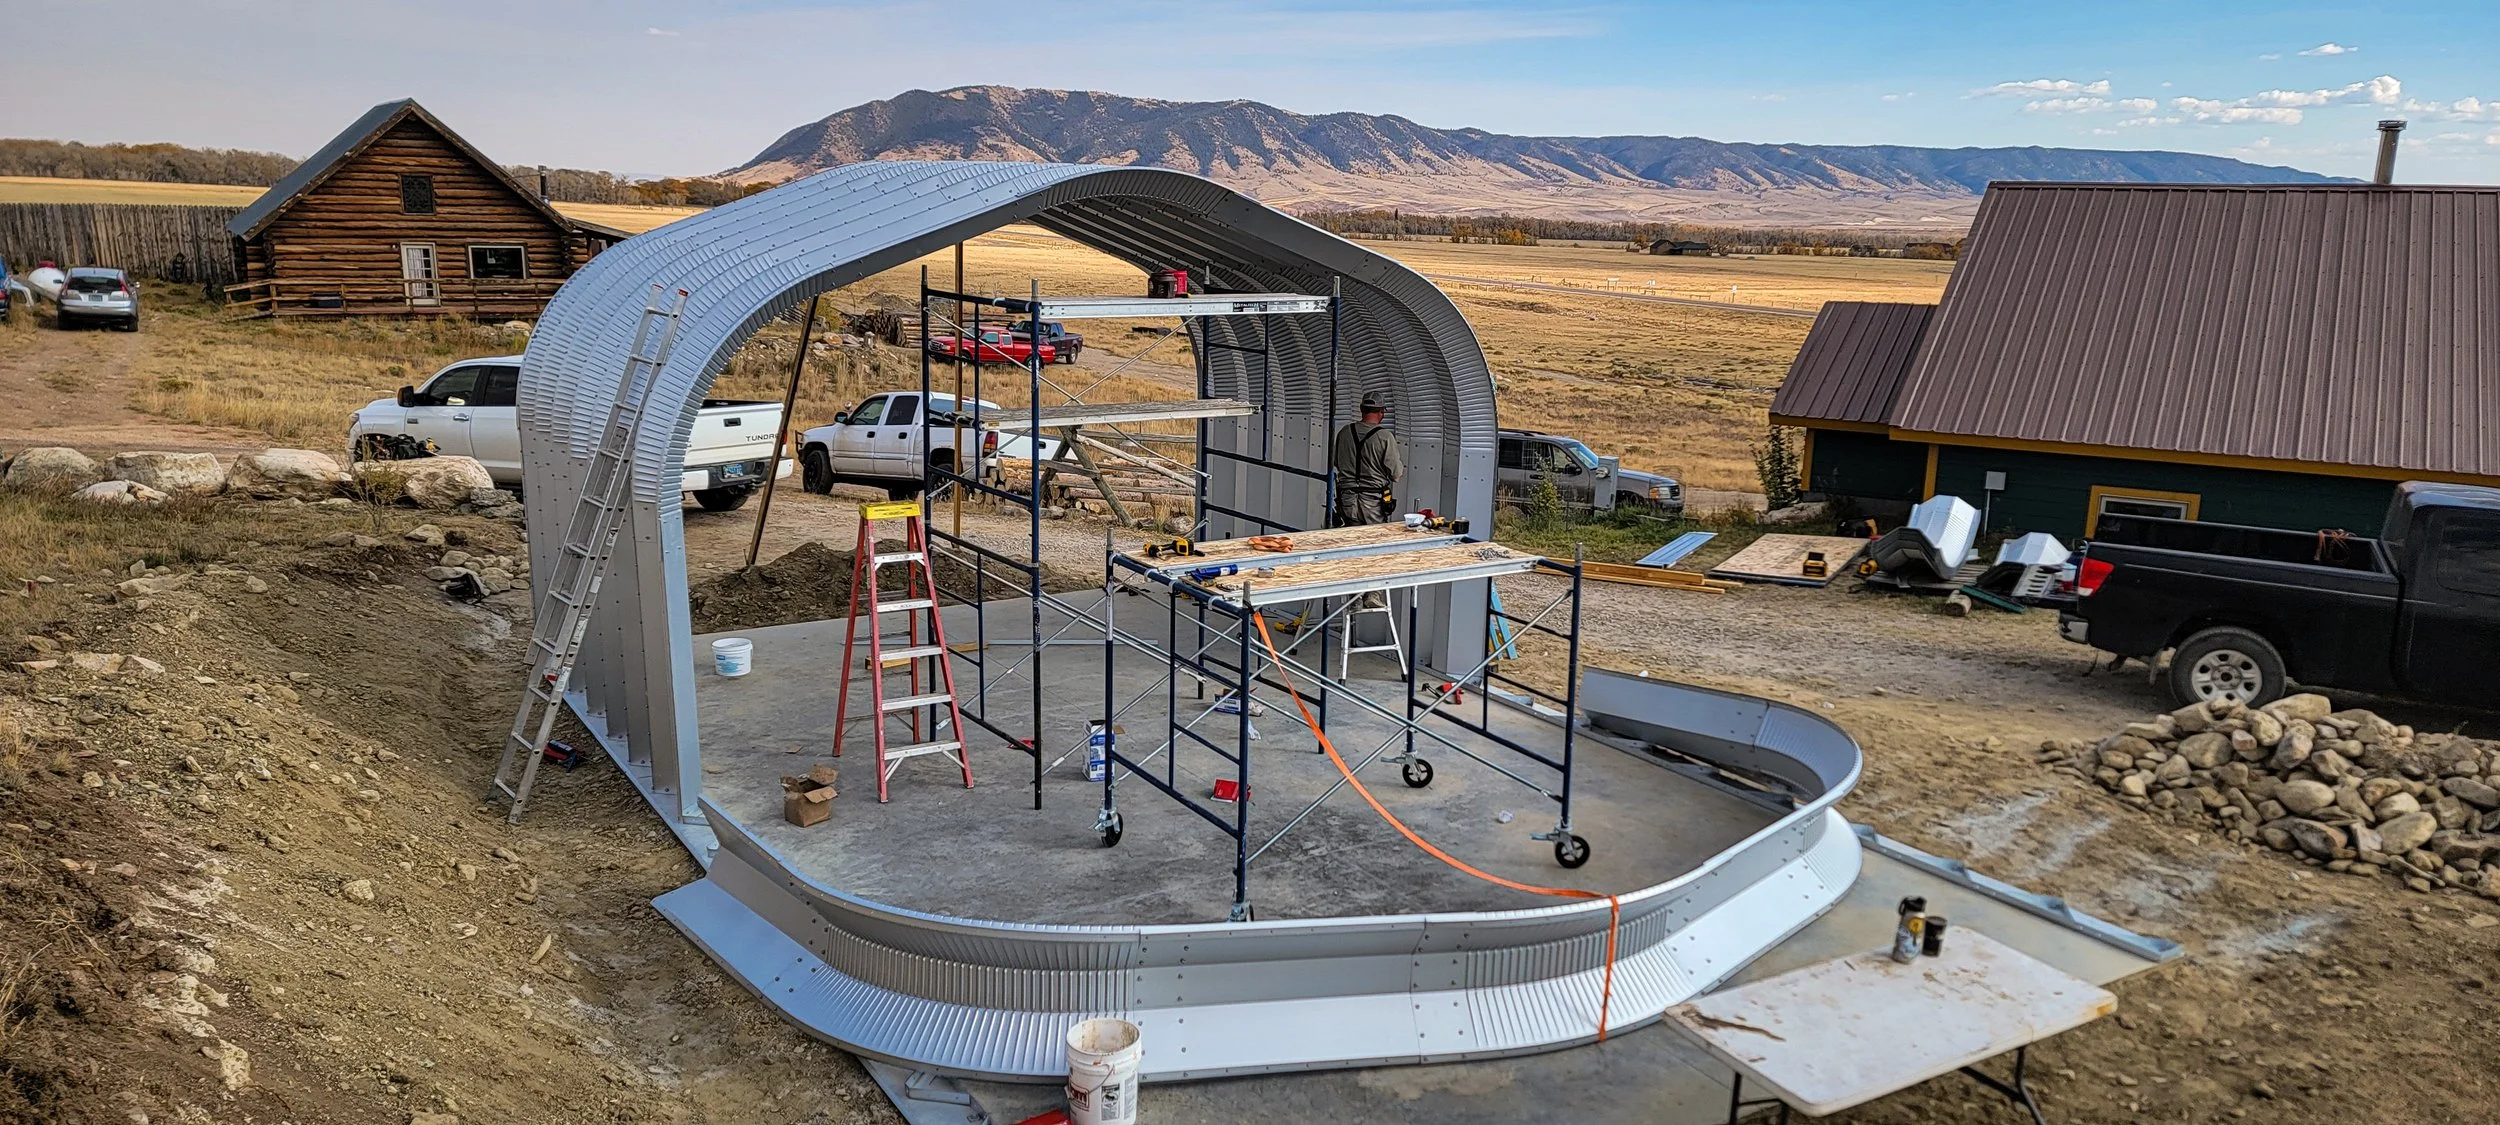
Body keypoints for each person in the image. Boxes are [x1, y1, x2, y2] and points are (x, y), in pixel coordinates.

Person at [1330, 392, 1403, 526]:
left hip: (1347, 500)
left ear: (1361, 409)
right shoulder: (1385, 437)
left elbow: (1336, 463)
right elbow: (1396, 475)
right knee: (1373, 541)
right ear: (1382, 411)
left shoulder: (1345, 432)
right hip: (1373, 503)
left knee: (1349, 540)